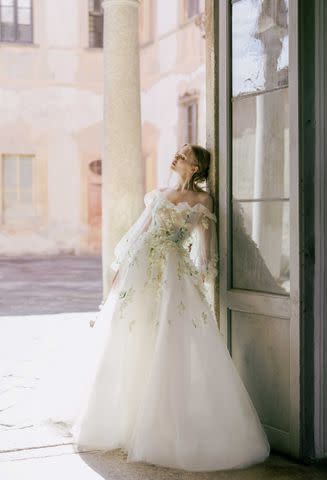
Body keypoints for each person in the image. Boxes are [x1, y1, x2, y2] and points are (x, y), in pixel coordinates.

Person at [38, 143, 270, 472]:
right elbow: (138, 236)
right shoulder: (158, 194)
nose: (176, 156)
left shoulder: (204, 202)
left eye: (184, 155)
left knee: (169, 339)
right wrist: (117, 282)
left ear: (194, 168)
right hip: (142, 267)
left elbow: (206, 249)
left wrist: (206, 279)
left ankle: (163, 421)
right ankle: (125, 416)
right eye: (179, 152)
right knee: (133, 334)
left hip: (175, 272)